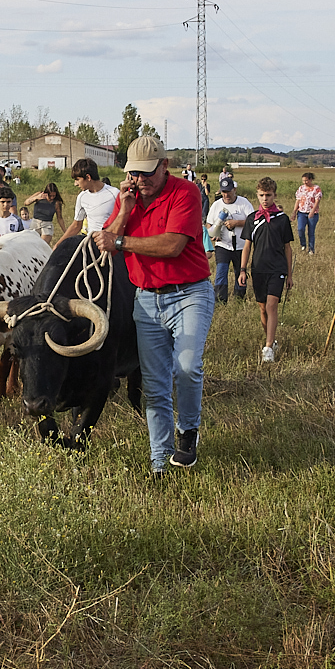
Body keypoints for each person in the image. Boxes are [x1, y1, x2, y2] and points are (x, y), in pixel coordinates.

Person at [96, 136, 212, 473]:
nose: (141, 180)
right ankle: (160, 461)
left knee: (187, 366)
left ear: (165, 166)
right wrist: (125, 209)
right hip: (147, 298)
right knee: (155, 384)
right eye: (135, 173)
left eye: (147, 172)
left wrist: (121, 241)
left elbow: (172, 245)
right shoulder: (127, 198)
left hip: (189, 293)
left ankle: (187, 432)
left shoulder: (185, 192)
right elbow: (106, 242)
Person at [245, 177, 293, 362]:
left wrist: (289, 274)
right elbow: (247, 246)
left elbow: (287, 247)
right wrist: (242, 269)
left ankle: (267, 348)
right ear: (257, 195)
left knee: (272, 305)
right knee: (263, 308)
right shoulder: (252, 219)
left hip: (277, 268)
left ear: (275, 195)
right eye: (262, 195)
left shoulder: (282, 219)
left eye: (268, 195)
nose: (265, 199)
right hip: (258, 268)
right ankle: (271, 339)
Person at [206, 177, 253, 305]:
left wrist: (236, 223)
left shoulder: (244, 203)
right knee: (221, 272)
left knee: (240, 271)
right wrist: (213, 235)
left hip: (241, 246)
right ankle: (220, 300)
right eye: (224, 192)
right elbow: (209, 224)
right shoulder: (216, 205)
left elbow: (252, 221)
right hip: (223, 245)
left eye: (229, 191)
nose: (226, 195)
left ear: (234, 190)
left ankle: (239, 298)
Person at [64, 159, 120, 245]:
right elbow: (76, 225)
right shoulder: (82, 197)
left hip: (111, 245)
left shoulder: (115, 194)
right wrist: (58, 245)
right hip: (91, 245)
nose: (75, 184)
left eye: (77, 179)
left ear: (88, 177)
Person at [294, 171, 326, 254]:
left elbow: (317, 201)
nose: (305, 182)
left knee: (311, 232)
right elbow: (298, 200)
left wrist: (312, 211)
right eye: (303, 180)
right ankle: (303, 244)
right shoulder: (301, 188)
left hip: (312, 213)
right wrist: (294, 211)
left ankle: (311, 249)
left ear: (311, 179)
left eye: (306, 180)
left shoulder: (316, 189)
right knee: (300, 229)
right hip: (301, 212)